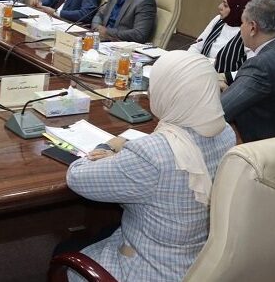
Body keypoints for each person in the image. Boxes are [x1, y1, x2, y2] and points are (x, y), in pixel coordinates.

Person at [63, 50, 235, 281]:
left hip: (150, 268)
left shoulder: (152, 154)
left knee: (65, 254)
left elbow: (77, 177)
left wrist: (109, 146)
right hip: (201, 263)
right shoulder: (226, 133)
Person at [221, 0, 275, 142]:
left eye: (242, 23)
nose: (241, 28)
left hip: (253, 146)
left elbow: (219, 112)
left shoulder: (260, 66)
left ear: (253, 27)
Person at [189, 0, 258, 73]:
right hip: (200, 71)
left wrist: (224, 77)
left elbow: (249, 70)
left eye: (225, 5)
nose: (220, 7)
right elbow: (197, 46)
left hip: (224, 79)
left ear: (239, 9)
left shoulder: (249, 32)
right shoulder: (219, 19)